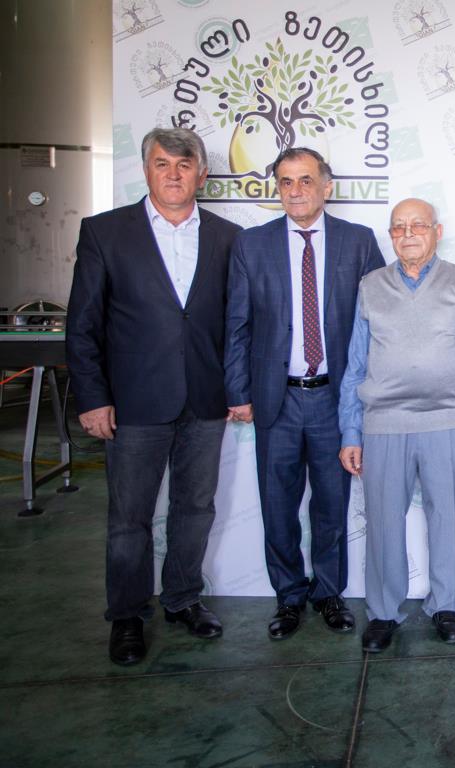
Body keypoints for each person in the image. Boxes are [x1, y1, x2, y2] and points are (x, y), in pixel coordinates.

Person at [66, 127, 242, 665]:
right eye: (162, 163)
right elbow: (82, 325)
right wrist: (92, 398)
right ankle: (127, 615)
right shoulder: (105, 232)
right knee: (129, 518)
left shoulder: (228, 237)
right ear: (146, 170)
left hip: (205, 401)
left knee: (196, 508)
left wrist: (237, 389)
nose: (173, 174)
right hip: (134, 403)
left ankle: (183, 598)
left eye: (184, 165)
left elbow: (237, 325)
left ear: (201, 175)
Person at [224, 147, 384, 641]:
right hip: (276, 399)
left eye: (306, 180)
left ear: (326, 187)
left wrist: (371, 395)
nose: (295, 191)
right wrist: (238, 391)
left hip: (337, 399)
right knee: (278, 505)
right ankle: (289, 595)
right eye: (286, 182)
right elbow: (237, 325)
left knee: (332, 503)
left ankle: (329, 593)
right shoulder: (252, 245)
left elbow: (380, 321)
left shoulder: (359, 241)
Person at [337, 198, 455, 653]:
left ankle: (446, 605)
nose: (408, 234)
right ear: (390, 235)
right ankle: (384, 612)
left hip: (449, 420)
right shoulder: (371, 286)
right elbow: (355, 365)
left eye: (418, 225)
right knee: (384, 522)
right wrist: (351, 431)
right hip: (383, 423)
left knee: (447, 517)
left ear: (437, 231)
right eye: (398, 227)